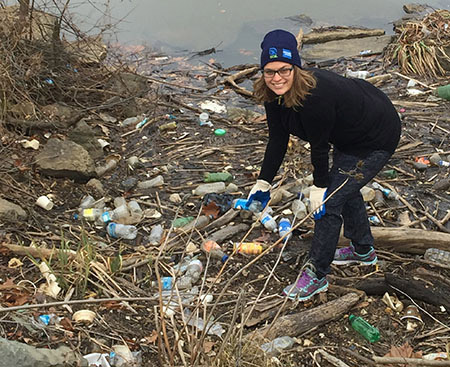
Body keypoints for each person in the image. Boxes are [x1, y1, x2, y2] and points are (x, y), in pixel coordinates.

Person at [247, 29, 401, 302]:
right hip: (348, 132)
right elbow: (277, 140)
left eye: (284, 70)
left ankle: (316, 274)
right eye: (270, 72)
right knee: (346, 188)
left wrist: (319, 188)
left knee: (329, 202)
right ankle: (363, 250)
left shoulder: (314, 96)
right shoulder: (273, 94)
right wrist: (263, 182)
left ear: (296, 67)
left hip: (375, 135)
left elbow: (319, 147)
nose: (277, 78)